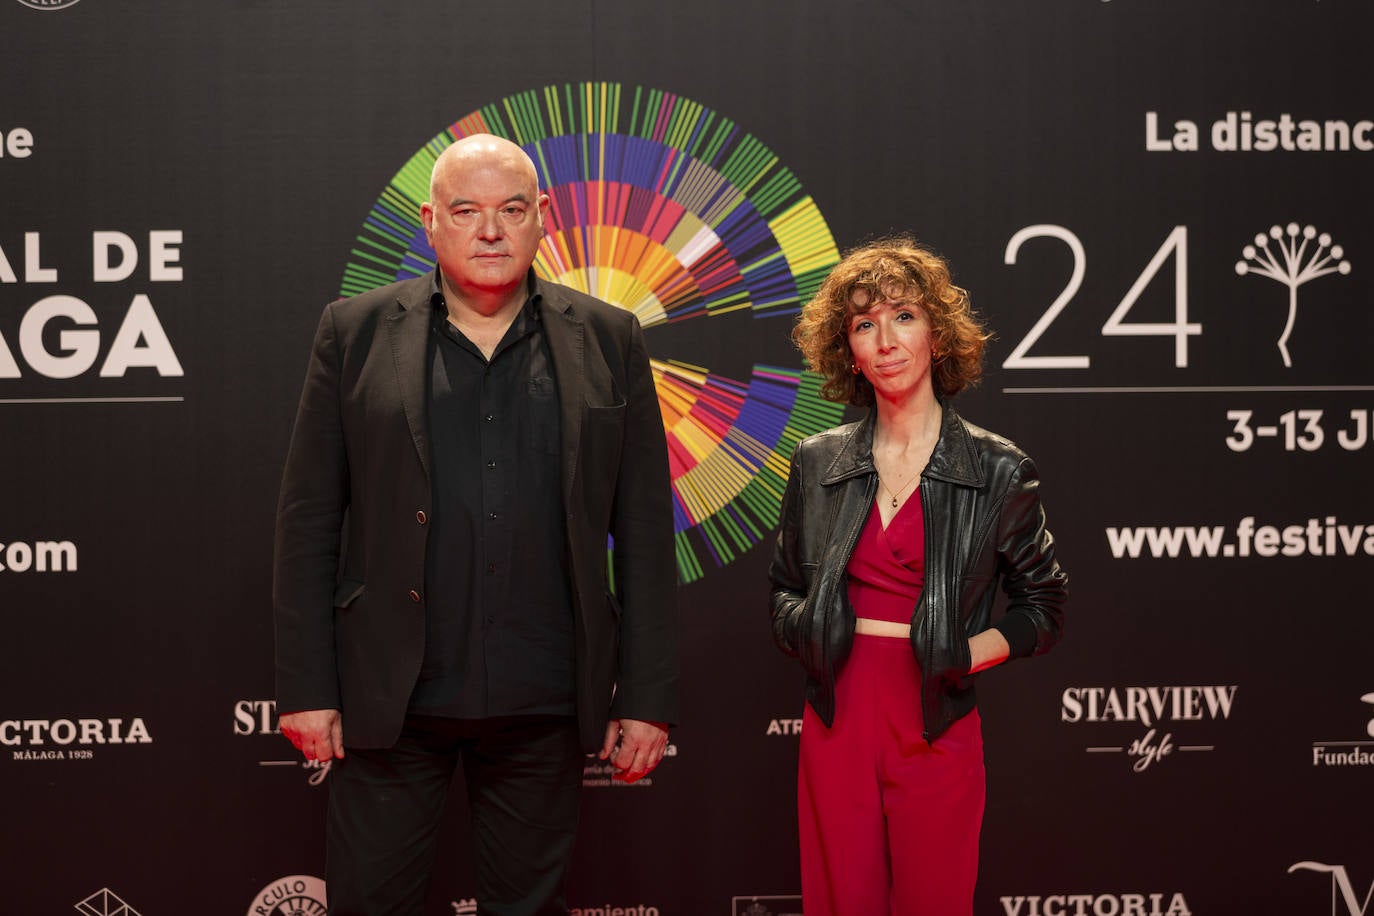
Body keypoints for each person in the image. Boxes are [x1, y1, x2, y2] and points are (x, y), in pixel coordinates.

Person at [272, 134, 678, 916]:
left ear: (543, 219)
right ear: (430, 221)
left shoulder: (608, 336)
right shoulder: (353, 333)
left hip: (545, 694)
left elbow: (645, 532)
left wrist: (648, 696)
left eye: (511, 210)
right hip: (391, 698)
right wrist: (306, 685)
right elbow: (308, 521)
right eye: (466, 211)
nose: (489, 231)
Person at [768, 237, 1067, 914]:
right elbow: (783, 587)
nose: (886, 340)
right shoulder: (817, 461)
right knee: (842, 902)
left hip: (936, 716)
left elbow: (1043, 605)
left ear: (937, 333)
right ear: (849, 349)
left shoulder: (998, 469)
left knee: (936, 900)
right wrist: (811, 627)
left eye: (903, 316)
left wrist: (963, 653)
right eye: (864, 325)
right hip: (837, 713)